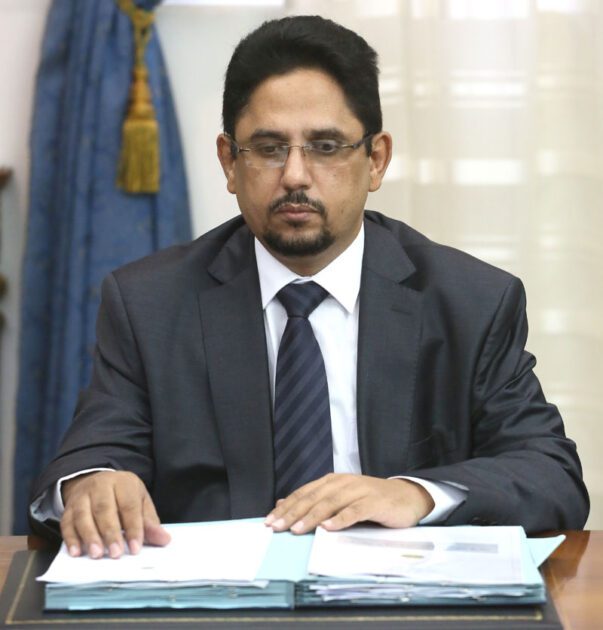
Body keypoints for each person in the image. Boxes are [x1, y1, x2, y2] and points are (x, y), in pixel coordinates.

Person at [30, 15, 588, 559]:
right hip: (218, 598)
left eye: (326, 146)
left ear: (376, 160)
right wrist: (91, 484)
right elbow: (88, 457)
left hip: (397, 597)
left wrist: (415, 494)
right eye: (269, 148)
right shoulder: (150, 304)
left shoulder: (470, 302)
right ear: (229, 162)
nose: (295, 176)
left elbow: (550, 474)